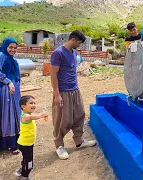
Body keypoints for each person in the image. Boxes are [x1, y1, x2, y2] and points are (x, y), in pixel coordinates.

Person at [51, 30, 97, 160]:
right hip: (63, 92)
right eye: (79, 43)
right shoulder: (58, 53)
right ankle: (59, 145)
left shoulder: (74, 52)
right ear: (73, 40)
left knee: (79, 114)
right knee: (62, 119)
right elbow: (53, 74)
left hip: (75, 90)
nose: (80, 45)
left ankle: (79, 141)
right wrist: (56, 94)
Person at [15, 95, 48, 180]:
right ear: (23, 106)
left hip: (27, 143)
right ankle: (25, 176)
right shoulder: (26, 116)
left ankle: (21, 171)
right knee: (29, 163)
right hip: (25, 144)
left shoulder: (28, 113)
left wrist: (40, 115)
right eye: (31, 103)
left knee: (26, 159)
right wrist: (42, 115)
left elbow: (33, 115)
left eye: (34, 103)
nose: (33, 105)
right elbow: (33, 117)